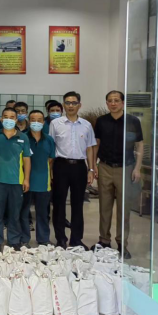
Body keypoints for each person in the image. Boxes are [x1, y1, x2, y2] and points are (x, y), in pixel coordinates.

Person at [93, 91, 143, 259]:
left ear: (122, 102)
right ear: (107, 103)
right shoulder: (101, 121)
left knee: (124, 208)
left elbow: (139, 145)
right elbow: (96, 144)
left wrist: (137, 168)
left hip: (126, 168)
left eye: (116, 100)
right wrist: (93, 166)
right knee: (104, 207)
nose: (113, 103)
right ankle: (104, 241)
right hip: (105, 167)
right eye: (110, 101)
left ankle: (122, 243)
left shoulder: (133, 121)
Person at [49, 91, 97, 249]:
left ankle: (76, 239)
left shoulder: (86, 125)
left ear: (79, 105)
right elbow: (51, 148)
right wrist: (50, 170)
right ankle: (61, 239)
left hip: (79, 167)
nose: (71, 106)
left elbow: (90, 148)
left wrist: (91, 169)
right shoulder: (55, 124)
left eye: (74, 103)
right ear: (64, 105)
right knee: (59, 204)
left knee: (78, 204)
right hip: (60, 166)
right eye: (68, 103)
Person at [0, 107, 31, 251]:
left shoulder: (23, 137)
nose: (8, 119)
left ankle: (14, 240)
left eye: (12, 117)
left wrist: (26, 179)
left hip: (16, 182)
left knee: (15, 213)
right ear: (1, 119)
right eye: (5, 117)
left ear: (16, 119)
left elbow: (26, 160)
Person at [20, 110, 55, 248]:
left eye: (39, 120)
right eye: (33, 120)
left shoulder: (49, 140)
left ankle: (43, 239)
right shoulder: (22, 137)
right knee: (23, 212)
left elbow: (51, 159)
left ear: (43, 122)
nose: (36, 122)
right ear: (29, 121)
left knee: (43, 213)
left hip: (43, 182)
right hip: (25, 181)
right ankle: (24, 238)